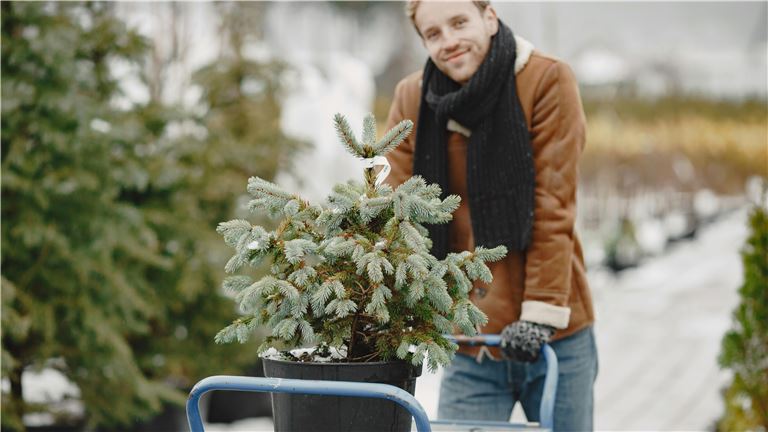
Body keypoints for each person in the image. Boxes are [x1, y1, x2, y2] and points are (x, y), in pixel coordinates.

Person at [383, 1, 598, 430]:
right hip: (471, 338)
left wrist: (538, 317)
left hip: (554, 334)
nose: (449, 41)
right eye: (434, 34)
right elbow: (394, 209)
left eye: (459, 22)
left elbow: (552, 208)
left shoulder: (545, 80)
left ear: (490, 17)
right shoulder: (414, 97)